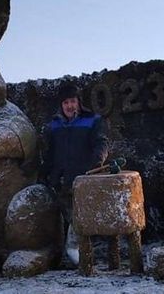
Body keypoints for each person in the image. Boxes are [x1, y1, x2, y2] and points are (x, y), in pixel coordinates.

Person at [39, 83, 109, 264]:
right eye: (65, 103)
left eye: (72, 101)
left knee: (78, 218)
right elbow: (49, 154)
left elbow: (101, 143)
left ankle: (77, 256)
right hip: (60, 181)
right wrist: (44, 174)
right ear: (61, 105)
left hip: (84, 178)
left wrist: (97, 161)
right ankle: (71, 256)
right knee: (69, 219)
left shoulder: (93, 120)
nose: (69, 106)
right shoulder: (53, 125)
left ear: (78, 102)